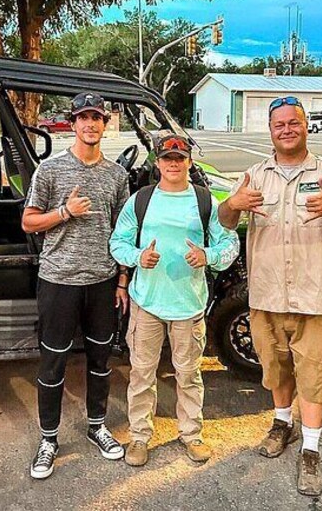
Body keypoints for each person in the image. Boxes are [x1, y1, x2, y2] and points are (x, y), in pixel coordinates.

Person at [217, 96, 322, 496]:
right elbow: (225, 220)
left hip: (314, 296)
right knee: (276, 369)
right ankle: (282, 423)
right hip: (266, 296)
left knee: (314, 376)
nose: (286, 129)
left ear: (305, 126)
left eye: (293, 122)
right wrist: (233, 204)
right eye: (279, 124)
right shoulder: (254, 175)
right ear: (271, 130)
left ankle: (311, 450)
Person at [110, 134, 239, 467]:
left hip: (188, 307)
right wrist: (138, 257)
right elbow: (117, 243)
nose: (173, 163)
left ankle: (191, 434)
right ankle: (139, 437)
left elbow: (230, 245)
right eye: (167, 158)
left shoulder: (204, 202)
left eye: (179, 158)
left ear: (189, 162)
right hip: (147, 304)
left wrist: (208, 256)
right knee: (141, 374)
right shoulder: (140, 200)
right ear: (158, 163)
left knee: (189, 374)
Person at [21, 92, 130, 480]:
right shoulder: (50, 171)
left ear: (105, 123)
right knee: (53, 362)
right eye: (83, 117)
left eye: (97, 118)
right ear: (72, 122)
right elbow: (28, 222)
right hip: (58, 281)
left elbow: (123, 232)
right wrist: (65, 212)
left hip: (102, 282)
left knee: (101, 362)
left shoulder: (118, 176)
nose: (90, 124)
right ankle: (48, 439)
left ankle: (98, 425)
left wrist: (122, 279)